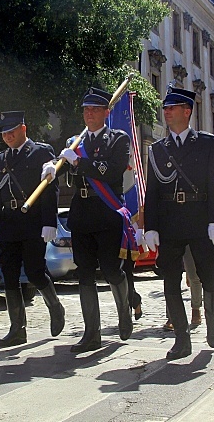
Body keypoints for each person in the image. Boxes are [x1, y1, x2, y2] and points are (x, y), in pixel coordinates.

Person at [46, 87, 134, 353]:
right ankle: (91, 334)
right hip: (82, 212)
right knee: (84, 272)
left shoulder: (118, 139)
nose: (89, 114)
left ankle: (124, 310)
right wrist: (53, 166)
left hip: (106, 211)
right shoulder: (76, 141)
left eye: (95, 109)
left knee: (110, 269)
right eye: (86, 110)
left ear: (106, 112)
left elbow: (110, 171)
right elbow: (66, 166)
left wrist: (79, 163)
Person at [144, 85, 214, 360]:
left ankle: (212, 318)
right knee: (170, 278)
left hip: (199, 216)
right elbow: (152, 191)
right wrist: (150, 226)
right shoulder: (157, 149)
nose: (166, 112)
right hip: (169, 219)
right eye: (165, 108)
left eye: (171, 108)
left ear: (186, 111)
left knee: (208, 274)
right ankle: (181, 337)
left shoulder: (207, 142)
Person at [0, 111, 64, 347]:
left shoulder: (41, 152)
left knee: (35, 271)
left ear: (23, 129)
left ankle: (55, 306)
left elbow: (51, 188)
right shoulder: (0, 159)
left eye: (11, 131)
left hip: (32, 221)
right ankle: (17, 329)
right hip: (9, 222)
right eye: (4, 133)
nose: (7, 137)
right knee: (8, 273)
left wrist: (50, 221)